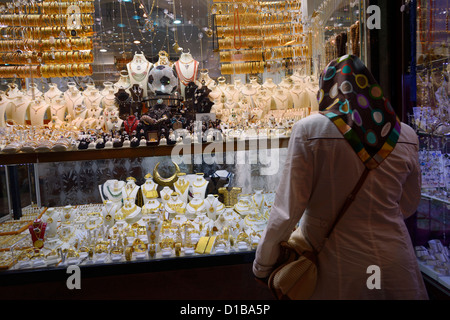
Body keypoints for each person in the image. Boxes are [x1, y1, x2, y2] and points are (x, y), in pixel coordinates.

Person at [253, 55, 428, 300]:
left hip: (335, 264)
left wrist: (264, 264)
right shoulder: (406, 134)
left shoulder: (310, 129)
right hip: (394, 261)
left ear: (327, 88)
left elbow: (287, 209)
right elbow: (409, 203)